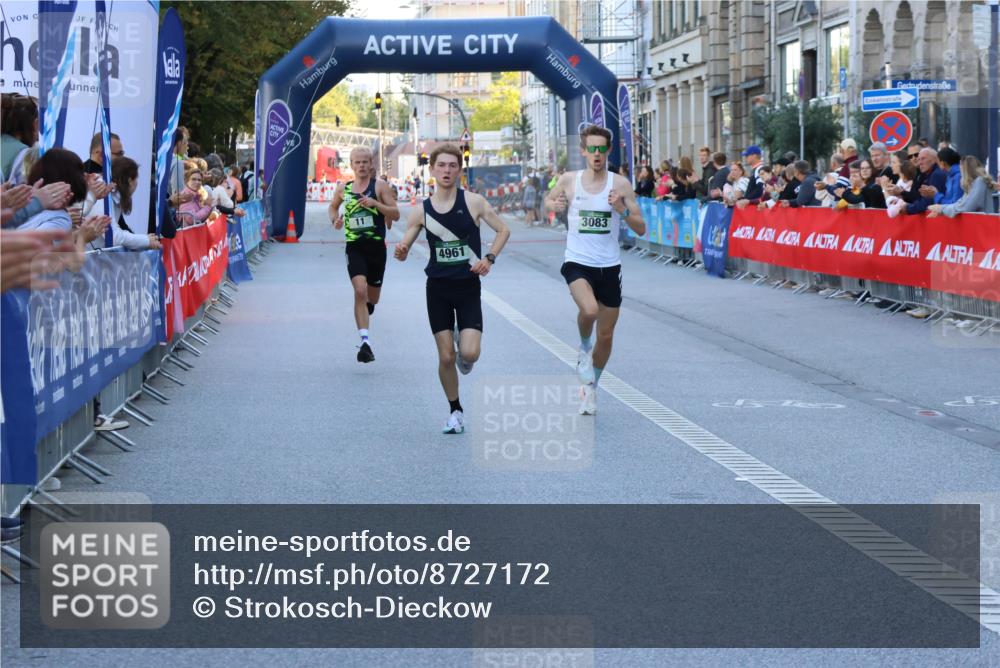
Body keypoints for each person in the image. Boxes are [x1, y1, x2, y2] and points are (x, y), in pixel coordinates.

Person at [394, 144, 510, 434]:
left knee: (469, 355)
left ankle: (463, 343)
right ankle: (455, 410)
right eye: (441, 165)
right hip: (438, 288)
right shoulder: (422, 210)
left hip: (468, 287)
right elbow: (407, 240)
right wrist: (402, 249)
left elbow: (503, 230)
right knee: (445, 357)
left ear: (459, 169)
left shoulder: (474, 202)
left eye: (452, 166)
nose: (446, 170)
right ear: (431, 170)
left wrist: (489, 258)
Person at [544, 125, 646, 416]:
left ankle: (590, 390)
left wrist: (621, 210)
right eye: (592, 149)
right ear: (584, 151)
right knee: (589, 311)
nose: (597, 155)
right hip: (577, 261)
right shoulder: (569, 179)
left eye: (602, 149)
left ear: (608, 151)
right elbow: (549, 200)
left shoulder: (621, 185)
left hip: (609, 266)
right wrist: (556, 203)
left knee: (607, 336)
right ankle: (582, 348)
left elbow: (641, 227)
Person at [329, 147, 400, 363]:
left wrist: (376, 204)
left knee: (372, 298)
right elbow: (332, 208)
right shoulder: (343, 188)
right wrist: (336, 220)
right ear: (351, 165)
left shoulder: (379, 187)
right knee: (359, 291)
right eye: (357, 162)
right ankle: (365, 343)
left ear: (371, 164)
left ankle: (368, 306)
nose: (361, 166)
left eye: (365, 162)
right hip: (355, 248)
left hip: (377, 249)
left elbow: (395, 213)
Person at [84, 157, 161, 251]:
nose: (137, 184)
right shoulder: (103, 193)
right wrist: (146, 240)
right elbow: (113, 235)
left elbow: (117, 231)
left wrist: (145, 240)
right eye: (136, 179)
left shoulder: (113, 195)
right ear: (129, 180)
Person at [928, 155, 997, 217]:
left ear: (965, 169)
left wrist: (941, 208)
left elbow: (966, 207)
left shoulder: (980, 181)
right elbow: (959, 204)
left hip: (983, 226)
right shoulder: (972, 184)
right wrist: (942, 210)